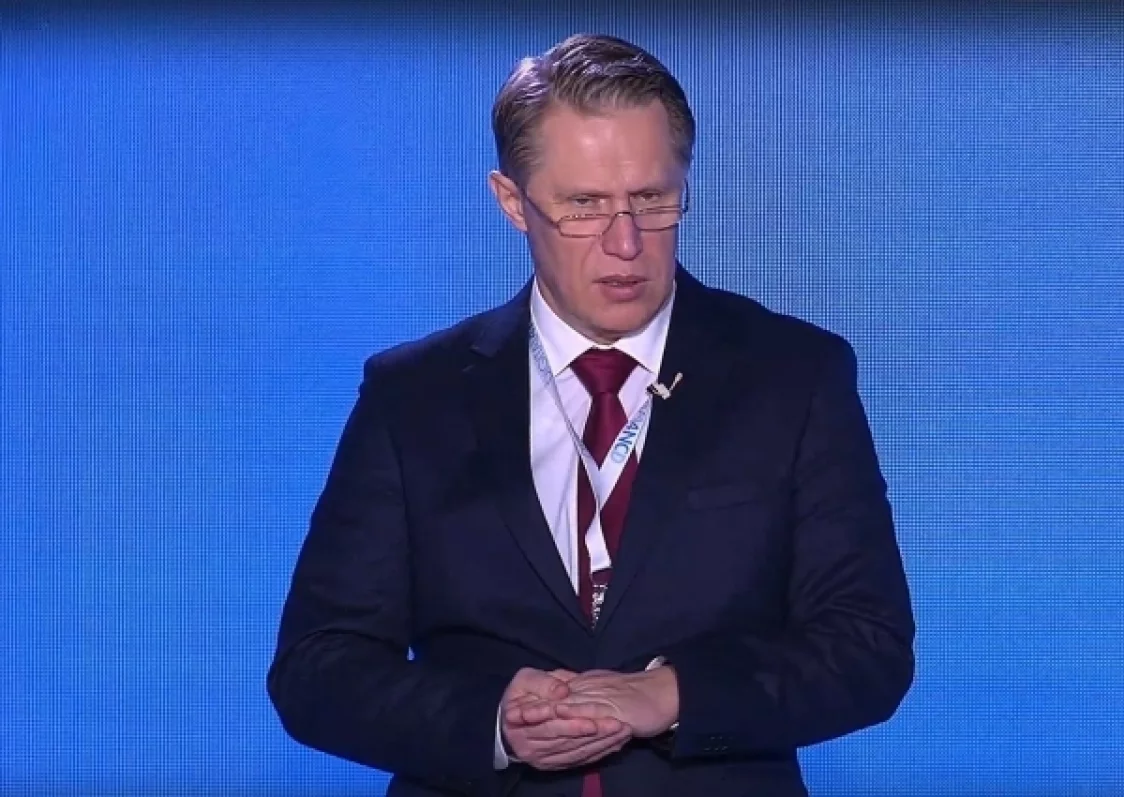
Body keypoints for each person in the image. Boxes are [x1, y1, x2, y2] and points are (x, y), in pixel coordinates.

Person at [267, 32, 915, 797]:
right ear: (513, 202)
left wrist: (675, 695)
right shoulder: (413, 396)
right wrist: (492, 719)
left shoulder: (794, 375)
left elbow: (867, 647)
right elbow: (318, 666)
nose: (625, 242)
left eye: (652, 200)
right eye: (584, 206)